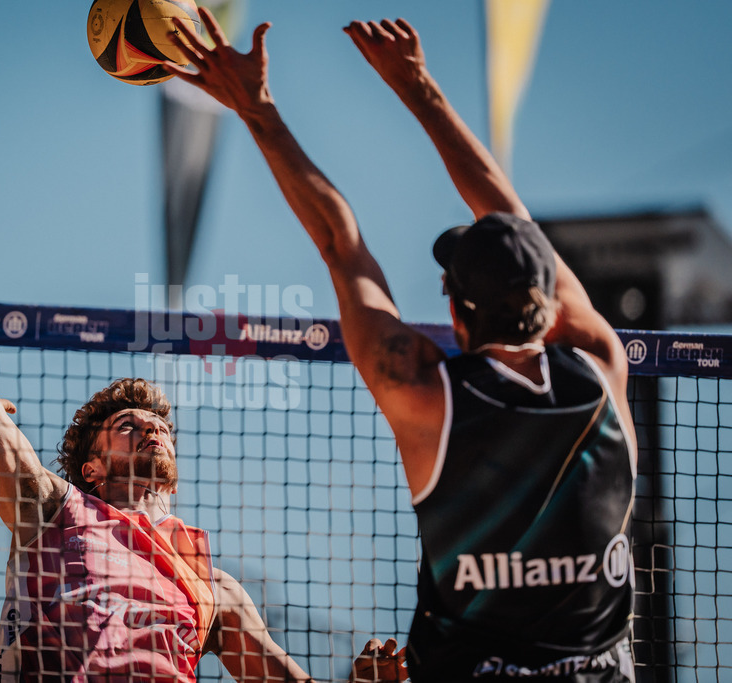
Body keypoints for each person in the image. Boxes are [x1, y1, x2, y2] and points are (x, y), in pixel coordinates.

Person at [164, 10, 637, 682]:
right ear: (551, 297)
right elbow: (512, 223)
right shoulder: (602, 367)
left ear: (455, 309)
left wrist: (257, 108)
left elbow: (341, 243)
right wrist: (420, 86)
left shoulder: (426, 393)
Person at [0, 352, 406, 682]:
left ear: (173, 476)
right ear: (91, 469)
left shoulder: (215, 589)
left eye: (160, 427)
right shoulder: (56, 508)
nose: (151, 429)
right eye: (127, 426)